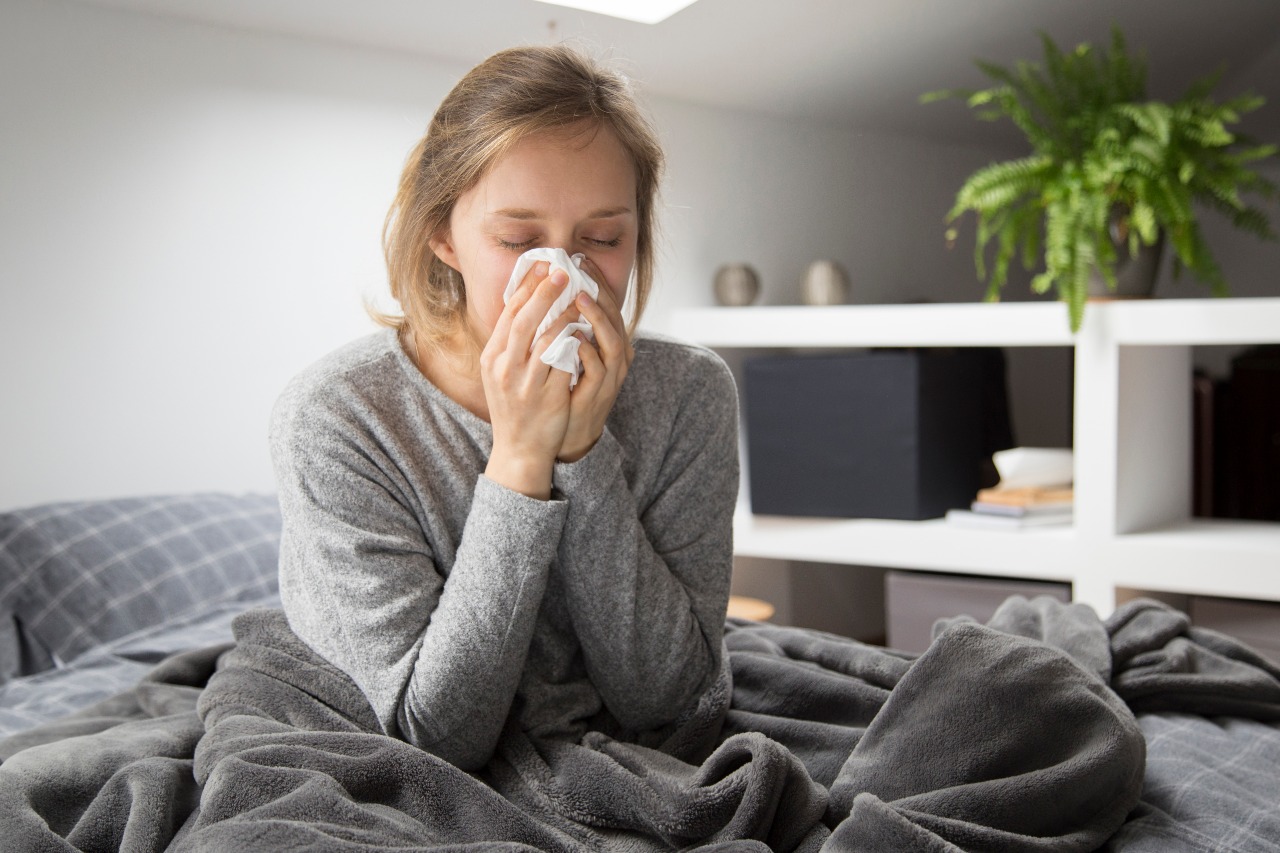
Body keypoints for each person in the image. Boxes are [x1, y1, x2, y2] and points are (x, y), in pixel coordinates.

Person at [268, 44, 739, 772]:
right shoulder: (339, 417)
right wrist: (521, 458)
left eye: (604, 238)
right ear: (440, 233)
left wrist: (583, 457)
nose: (566, 273)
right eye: (518, 239)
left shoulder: (689, 392)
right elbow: (438, 735)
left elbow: (670, 702)